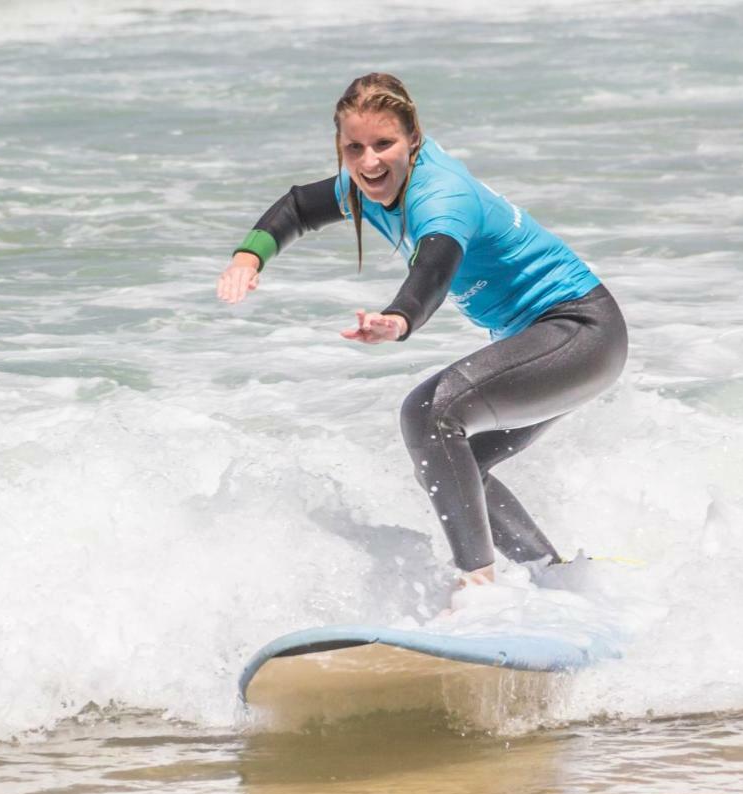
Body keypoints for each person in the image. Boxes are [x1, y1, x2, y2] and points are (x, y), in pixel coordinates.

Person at [216, 72, 627, 587]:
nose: (369, 162)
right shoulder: (362, 186)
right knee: (456, 466)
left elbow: (434, 267)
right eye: (354, 147)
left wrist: (400, 318)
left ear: (413, 138)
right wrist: (248, 258)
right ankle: (553, 577)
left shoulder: (442, 195)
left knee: (430, 415)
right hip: (552, 344)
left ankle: (478, 585)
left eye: (384, 144)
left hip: (581, 332)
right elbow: (298, 207)